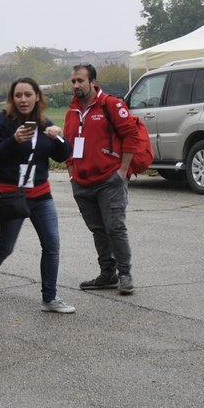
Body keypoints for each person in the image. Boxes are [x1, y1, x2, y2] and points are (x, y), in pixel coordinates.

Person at [0, 78, 75, 315]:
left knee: (52, 245)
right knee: (5, 247)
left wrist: (58, 137)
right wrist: (13, 141)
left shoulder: (44, 123)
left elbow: (63, 155)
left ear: (37, 96)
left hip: (41, 195)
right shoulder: (2, 122)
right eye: (18, 95)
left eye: (28, 94)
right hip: (11, 194)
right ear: (12, 98)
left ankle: (49, 298)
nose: (23, 99)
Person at [64, 63, 139, 295]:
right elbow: (67, 145)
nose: (76, 85)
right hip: (82, 182)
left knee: (115, 227)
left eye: (81, 81)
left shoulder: (111, 105)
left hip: (109, 180)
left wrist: (122, 171)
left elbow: (131, 136)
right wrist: (71, 174)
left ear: (93, 82)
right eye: (73, 81)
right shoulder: (72, 111)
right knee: (98, 229)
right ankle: (108, 274)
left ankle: (125, 274)